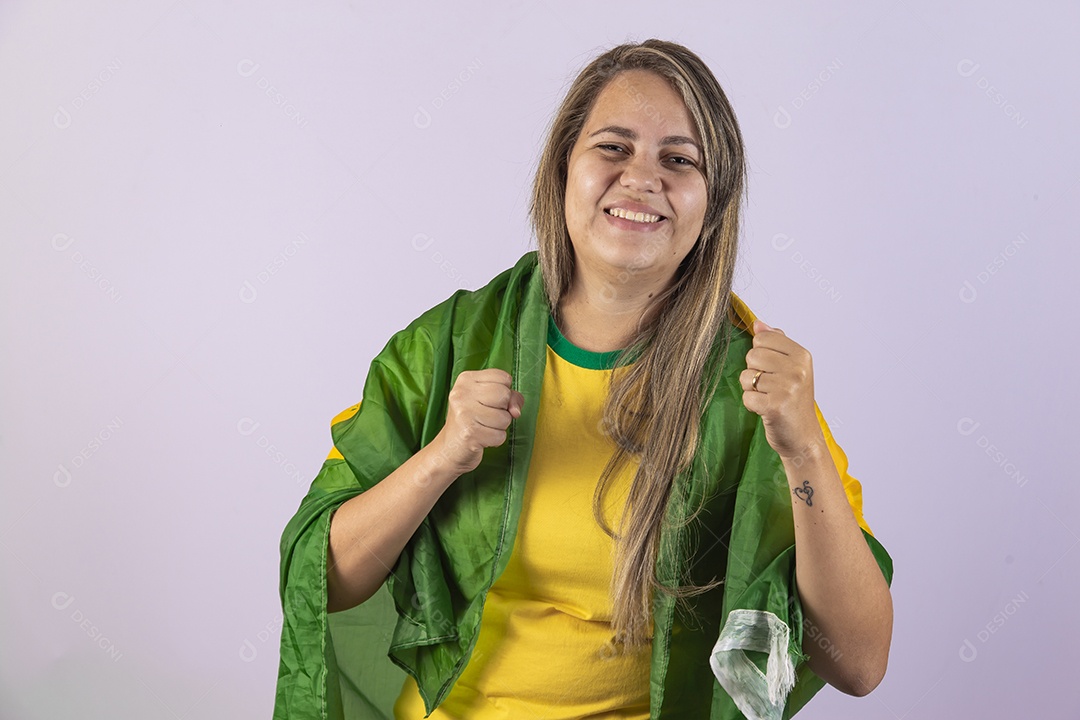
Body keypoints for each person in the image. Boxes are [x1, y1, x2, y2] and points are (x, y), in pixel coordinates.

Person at [273, 39, 894, 720]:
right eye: (613, 147)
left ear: (712, 205)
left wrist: (803, 446)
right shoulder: (450, 344)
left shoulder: (748, 388)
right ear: (562, 169)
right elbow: (321, 578)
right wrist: (443, 457)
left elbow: (859, 662)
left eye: (679, 159)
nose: (641, 178)